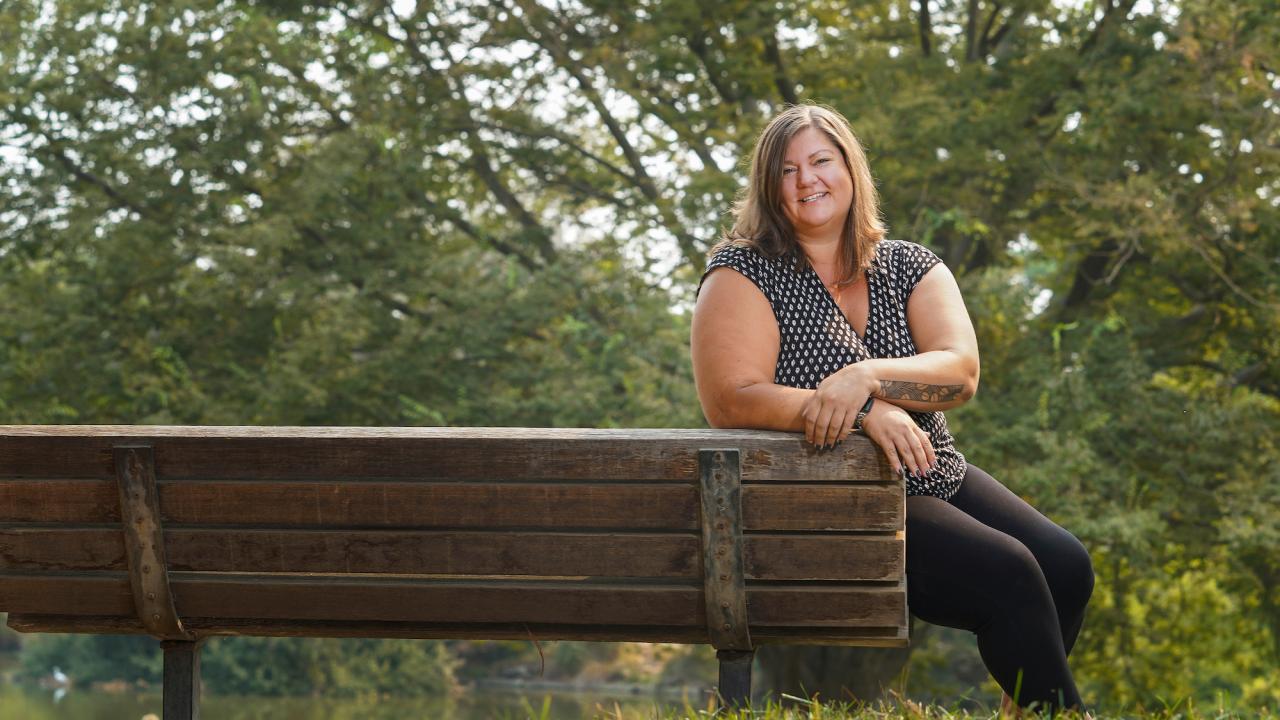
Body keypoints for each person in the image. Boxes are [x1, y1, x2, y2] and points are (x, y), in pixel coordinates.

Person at [690, 103, 1094, 715]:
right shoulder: (743, 272)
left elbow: (959, 372)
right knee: (1009, 573)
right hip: (830, 493)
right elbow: (730, 399)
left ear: (851, 169)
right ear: (768, 188)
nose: (807, 180)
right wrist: (861, 416)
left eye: (821, 161)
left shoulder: (909, 265)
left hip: (930, 471)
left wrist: (866, 378)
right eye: (787, 170)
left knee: (1065, 565)